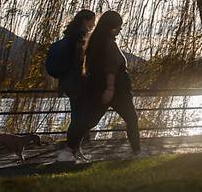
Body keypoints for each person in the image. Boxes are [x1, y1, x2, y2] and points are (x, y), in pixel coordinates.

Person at [67, 11, 141, 156]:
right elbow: (111, 68)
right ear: (112, 27)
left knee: (90, 120)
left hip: (101, 88)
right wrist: (110, 88)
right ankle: (137, 151)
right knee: (131, 118)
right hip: (116, 90)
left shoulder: (95, 41)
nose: (120, 30)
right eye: (119, 27)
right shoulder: (108, 44)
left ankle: (70, 148)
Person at [56, 9, 95, 161]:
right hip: (78, 83)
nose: (93, 24)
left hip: (70, 83)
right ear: (86, 20)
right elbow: (78, 62)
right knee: (80, 118)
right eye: (92, 21)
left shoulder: (70, 35)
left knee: (77, 117)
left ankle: (74, 150)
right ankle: (70, 150)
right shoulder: (80, 37)